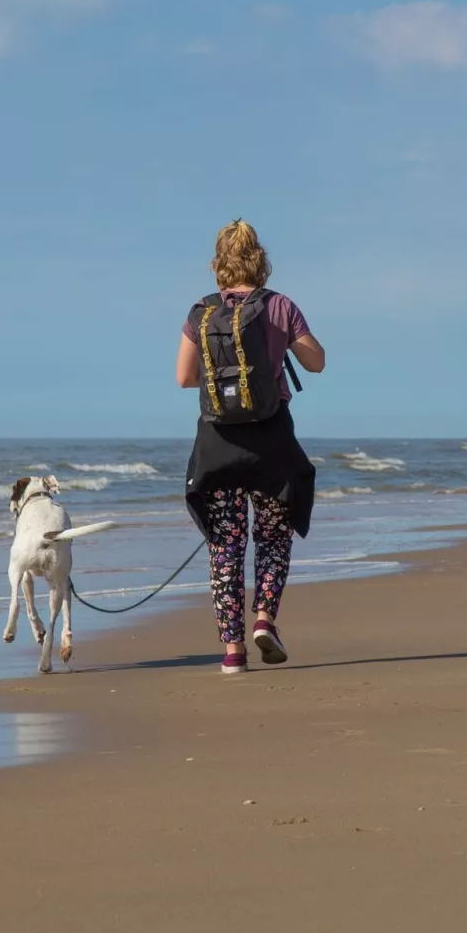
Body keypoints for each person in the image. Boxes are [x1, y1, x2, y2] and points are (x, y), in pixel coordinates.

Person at [177, 219, 326, 674]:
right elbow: (316, 363)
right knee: (273, 537)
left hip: (218, 442)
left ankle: (233, 652)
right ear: (260, 260)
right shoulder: (280, 306)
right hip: (271, 439)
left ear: (218, 264)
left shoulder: (201, 312)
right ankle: (264, 620)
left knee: (225, 547)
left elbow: (184, 378)